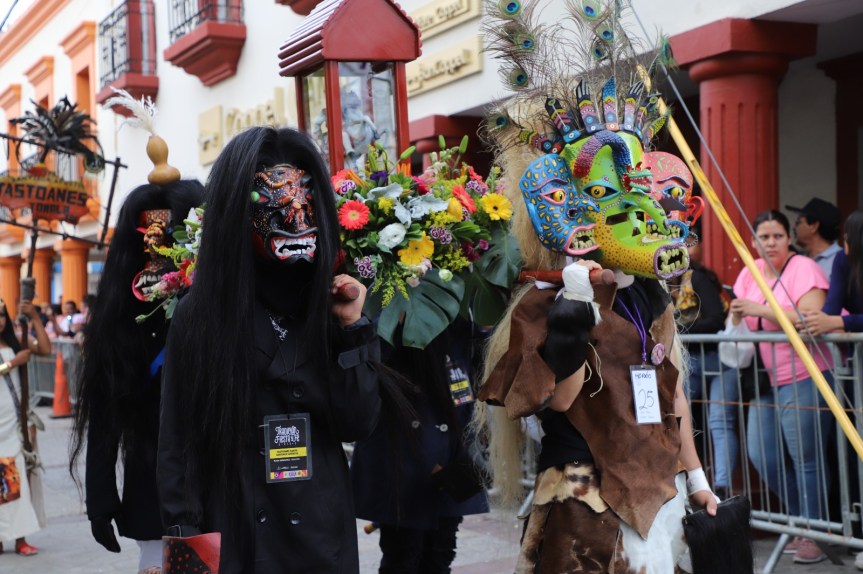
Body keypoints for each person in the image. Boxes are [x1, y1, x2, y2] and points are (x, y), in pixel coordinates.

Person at [475, 3, 718, 570]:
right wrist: (573, 316)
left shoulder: (648, 298)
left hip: (658, 492)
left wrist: (699, 480)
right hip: (584, 498)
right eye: (611, 200)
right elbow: (557, 402)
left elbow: (673, 398)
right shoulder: (542, 306)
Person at [157, 127, 380, 573]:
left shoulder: (333, 303)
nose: (296, 219)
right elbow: (178, 442)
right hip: (239, 532)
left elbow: (359, 421)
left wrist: (354, 327)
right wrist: (186, 545)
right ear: (238, 214)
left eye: (304, 203)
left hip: (318, 533)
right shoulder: (200, 314)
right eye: (275, 204)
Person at [70, 177, 203, 573]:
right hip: (155, 489)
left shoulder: (225, 305)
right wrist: (101, 497)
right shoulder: (123, 321)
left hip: (225, 484)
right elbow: (105, 409)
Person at [730, 209, 833, 564]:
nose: (770, 243)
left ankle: (816, 533)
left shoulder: (805, 268)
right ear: (754, 240)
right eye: (763, 236)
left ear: (789, 238)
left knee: (806, 458)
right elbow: (738, 319)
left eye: (777, 236)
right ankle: (801, 522)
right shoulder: (749, 271)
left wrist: (761, 309)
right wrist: (738, 315)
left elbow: (811, 318)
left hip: (807, 373)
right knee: (763, 455)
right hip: (764, 378)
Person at [351, 320, 489, 573]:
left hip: (452, 448)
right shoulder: (387, 310)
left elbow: (481, 364)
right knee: (402, 555)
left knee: (441, 552)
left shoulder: (463, 313)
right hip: (401, 453)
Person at [672, 238, 739, 500]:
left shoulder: (697, 278)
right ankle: (697, 480)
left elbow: (716, 321)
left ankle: (719, 485)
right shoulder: (669, 284)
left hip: (715, 359)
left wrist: (679, 332)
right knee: (690, 420)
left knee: (717, 422)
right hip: (695, 360)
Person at [0, 298, 51, 556]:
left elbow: (44, 348)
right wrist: (11, 364)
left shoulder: (15, 343)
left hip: (15, 428)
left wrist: (33, 317)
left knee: (16, 479)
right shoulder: (14, 354)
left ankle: (19, 538)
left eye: (1, 315)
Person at [801, 209, 863, 335]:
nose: (844, 240)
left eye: (847, 236)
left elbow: (832, 318)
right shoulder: (843, 259)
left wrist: (840, 322)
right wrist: (811, 321)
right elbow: (831, 309)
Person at [787, 198, 842, 279]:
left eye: (798, 222)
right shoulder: (799, 258)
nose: (794, 227)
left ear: (814, 226)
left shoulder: (841, 260)